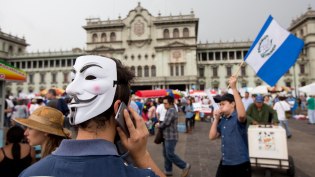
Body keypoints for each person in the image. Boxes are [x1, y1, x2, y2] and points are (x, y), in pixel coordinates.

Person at [18, 55, 164, 177]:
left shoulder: (30, 174)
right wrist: (142, 157)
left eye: (89, 76)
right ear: (120, 110)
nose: (70, 88)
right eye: (74, 78)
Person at [209, 76, 251, 177]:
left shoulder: (237, 116)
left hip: (240, 163)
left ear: (232, 104)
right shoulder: (223, 120)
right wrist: (216, 119)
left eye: (223, 103)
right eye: (219, 105)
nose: (220, 106)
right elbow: (212, 136)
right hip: (225, 162)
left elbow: (242, 115)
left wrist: (234, 88)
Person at [158, 95, 191, 177]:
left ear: (171, 103)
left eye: (165, 103)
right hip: (167, 136)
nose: (164, 105)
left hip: (171, 137)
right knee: (166, 154)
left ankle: (185, 166)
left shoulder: (171, 111)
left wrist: (158, 125)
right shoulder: (169, 110)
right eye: (163, 103)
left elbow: (166, 123)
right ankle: (168, 171)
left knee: (170, 154)